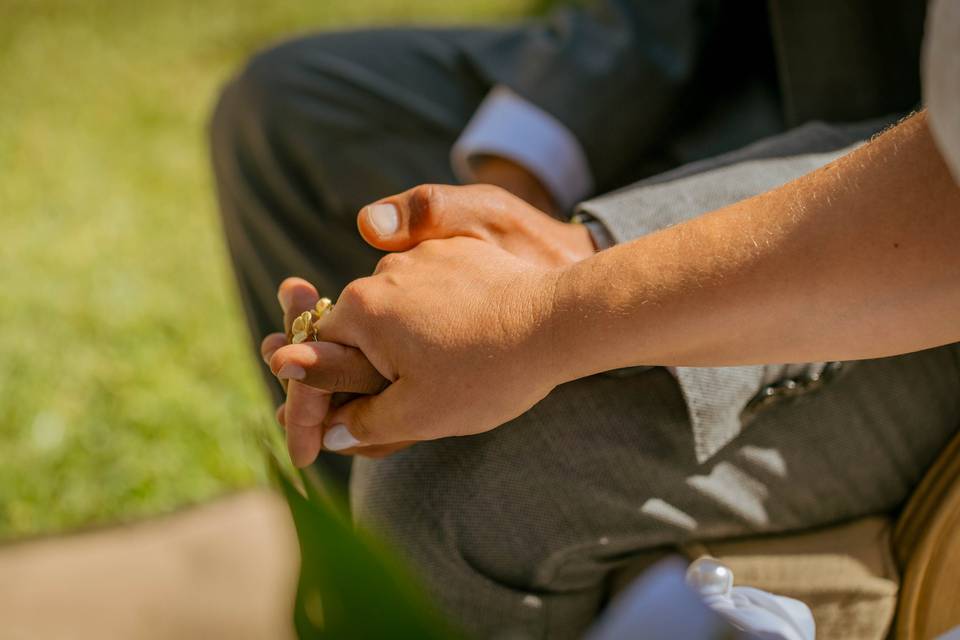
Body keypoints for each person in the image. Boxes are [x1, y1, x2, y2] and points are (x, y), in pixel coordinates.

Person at [211, 0, 958, 637]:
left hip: (916, 251)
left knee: (454, 482)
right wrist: (505, 194)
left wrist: (562, 286)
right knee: (291, 115)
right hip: (764, 95)